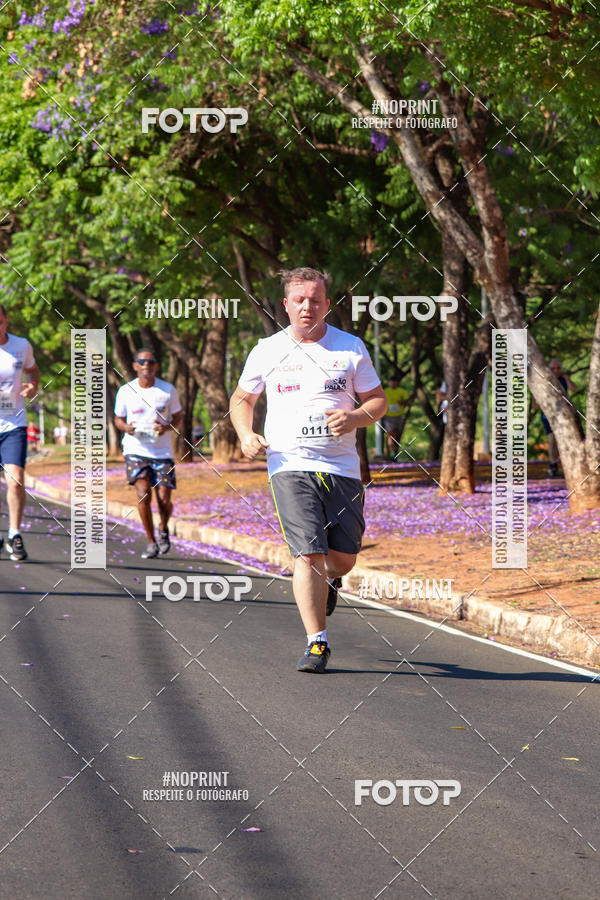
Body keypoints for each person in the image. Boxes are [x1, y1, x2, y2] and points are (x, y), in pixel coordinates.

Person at [230, 267, 387, 673]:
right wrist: (247, 434)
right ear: (285, 305)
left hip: (342, 466)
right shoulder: (267, 349)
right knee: (308, 553)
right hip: (288, 463)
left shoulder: (350, 348)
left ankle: (332, 582)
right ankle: (317, 642)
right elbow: (242, 399)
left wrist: (354, 418)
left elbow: (377, 401)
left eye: (315, 300)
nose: (307, 307)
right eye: (299, 300)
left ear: (326, 304)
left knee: (343, 559)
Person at [114, 349, 182, 558]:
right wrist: (126, 428)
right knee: (143, 493)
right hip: (135, 450)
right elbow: (118, 419)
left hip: (162, 452)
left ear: (156, 366)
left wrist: (166, 427)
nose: (146, 365)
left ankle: (163, 528)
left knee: (163, 498)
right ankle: (151, 541)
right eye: (142, 362)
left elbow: (178, 417)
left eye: (150, 362)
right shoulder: (126, 391)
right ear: (135, 366)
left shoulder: (167, 390)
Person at [0, 305, 40, 561]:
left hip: (14, 423)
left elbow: (33, 370)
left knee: (15, 478)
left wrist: (32, 387)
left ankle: (14, 533)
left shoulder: (21, 345)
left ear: (6, 320)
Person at [540, 358, 576, 477]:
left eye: (558, 368)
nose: (556, 370)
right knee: (552, 440)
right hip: (548, 414)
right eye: (553, 368)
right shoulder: (544, 381)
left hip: (564, 414)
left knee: (566, 439)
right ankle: (553, 464)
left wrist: (566, 378)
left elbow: (573, 389)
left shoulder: (563, 379)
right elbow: (536, 403)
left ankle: (569, 465)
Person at [381, 377, 409, 459]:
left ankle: (394, 453)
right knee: (391, 435)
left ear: (397, 383)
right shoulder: (385, 391)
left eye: (394, 382)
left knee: (396, 436)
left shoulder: (401, 391)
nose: (393, 384)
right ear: (389, 383)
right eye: (391, 382)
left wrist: (403, 402)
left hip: (399, 417)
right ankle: (392, 455)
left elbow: (407, 402)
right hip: (388, 417)